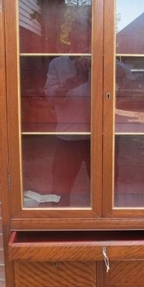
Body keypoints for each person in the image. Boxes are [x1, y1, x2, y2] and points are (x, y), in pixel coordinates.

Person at [44, 19, 92, 206]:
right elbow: (49, 96)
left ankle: (103, 229)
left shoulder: (103, 60)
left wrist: (98, 64)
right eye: (77, 32)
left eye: (85, 33)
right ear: (70, 36)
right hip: (67, 136)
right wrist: (68, 84)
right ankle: (60, 227)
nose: (80, 37)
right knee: (60, 190)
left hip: (98, 137)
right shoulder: (57, 63)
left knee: (106, 188)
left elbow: (125, 77)